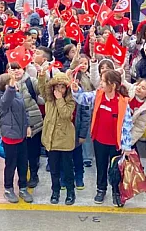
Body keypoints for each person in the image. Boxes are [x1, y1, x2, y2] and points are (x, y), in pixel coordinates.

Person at [72, 69, 134, 207]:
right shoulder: (98, 94)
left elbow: (127, 125)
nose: (100, 83)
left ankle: (116, 192)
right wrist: (76, 90)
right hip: (99, 140)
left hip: (115, 143)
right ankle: (101, 189)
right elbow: (82, 99)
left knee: (115, 169)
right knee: (101, 166)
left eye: (103, 81)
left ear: (112, 85)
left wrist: (127, 146)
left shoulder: (123, 101)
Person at [0, 72, 34, 204]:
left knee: (23, 164)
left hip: (21, 136)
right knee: (10, 165)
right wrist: (11, 88)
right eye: (11, 83)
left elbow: (25, 110)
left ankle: (23, 187)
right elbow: (5, 102)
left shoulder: (17, 94)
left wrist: (28, 125)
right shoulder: (0, 98)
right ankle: (8, 188)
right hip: (10, 137)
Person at [39, 72, 77, 205]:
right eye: (57, 87)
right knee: (54, 169)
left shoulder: (70, 100)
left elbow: (66, 114)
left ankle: (70, 192)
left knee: (67, 168)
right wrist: (42, 75)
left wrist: (60, 99)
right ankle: (55, 191)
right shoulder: (49, 99)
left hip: (65, 140)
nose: (59, 90)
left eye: (62, 87)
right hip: (51, 139)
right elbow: (42, 88)